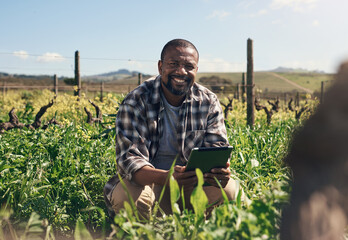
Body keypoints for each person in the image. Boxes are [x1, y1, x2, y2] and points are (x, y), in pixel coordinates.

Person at [104, 39, 238, 219]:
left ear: (196, 70)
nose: (181, 71)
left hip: (191, 187)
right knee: (126, 199)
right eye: (173, 64)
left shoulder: (208, 101)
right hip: (150, 186)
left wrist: (219, 172)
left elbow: (216, 150)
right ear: (160, 67)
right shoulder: (136, 101)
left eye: (189, 66)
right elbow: (130, 162)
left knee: (228, 190)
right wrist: (167, 178)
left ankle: (196, 231)